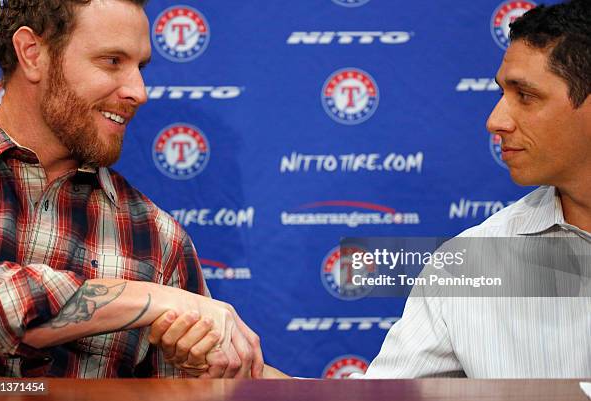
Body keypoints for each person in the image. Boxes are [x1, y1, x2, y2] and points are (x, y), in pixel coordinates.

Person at [160, 0, 591, 378]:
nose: (496, 120)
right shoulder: (469, 262)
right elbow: (384, 397)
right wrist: (242, 377)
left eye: (527, 96)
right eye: (503, 93)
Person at [0, 0, 263, 378]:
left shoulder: (160, 242)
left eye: (140, 67)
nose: (139, 91)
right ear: (33, 54)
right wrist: (151, 298)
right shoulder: (160, 286)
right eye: (112, 61)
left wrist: (204, 373)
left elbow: (200, 384)